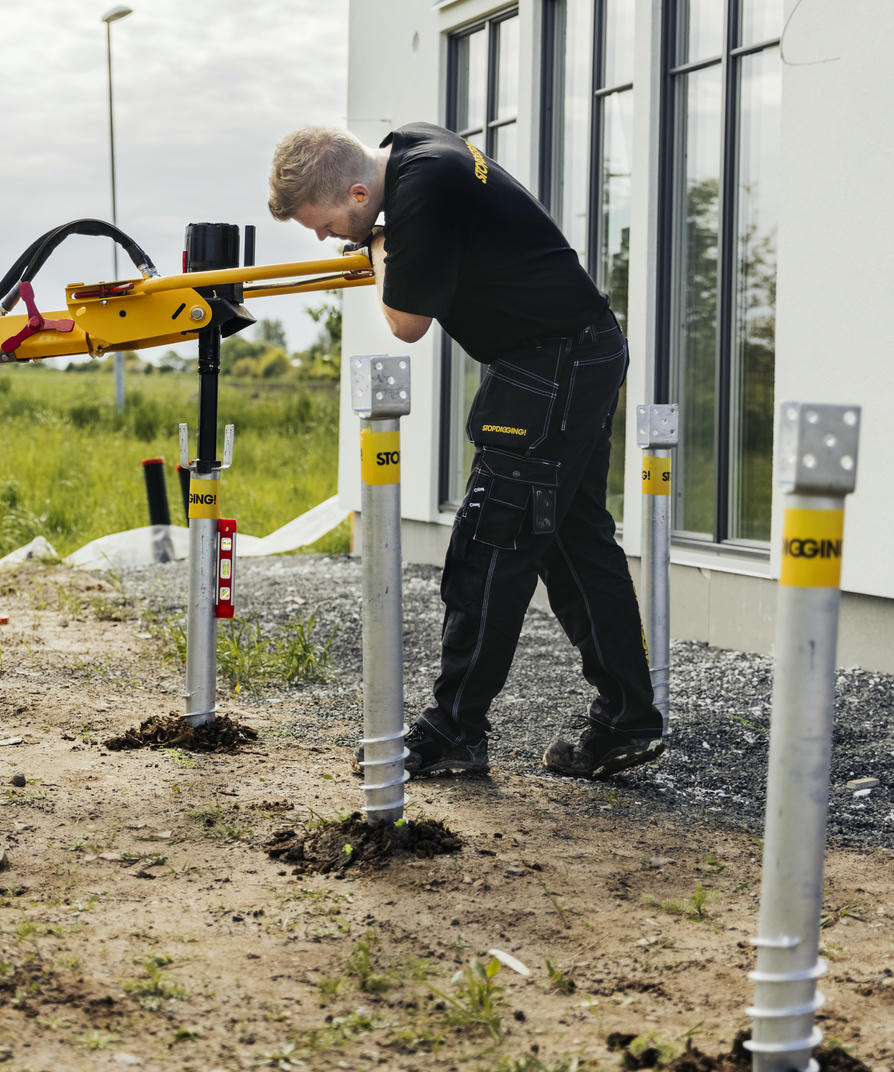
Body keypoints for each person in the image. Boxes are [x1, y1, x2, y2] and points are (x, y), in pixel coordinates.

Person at [267, 123, 665, 780]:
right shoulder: (416, 147)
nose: (325, 239)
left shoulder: (422, 189)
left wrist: (376, 246)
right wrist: (379, 239)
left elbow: (406, 322)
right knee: (575, 542)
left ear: (360, 193)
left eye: (326, 224)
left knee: (491, 541)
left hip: (551, 363)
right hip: (574, 351)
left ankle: (455, 729)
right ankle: (628, 723)